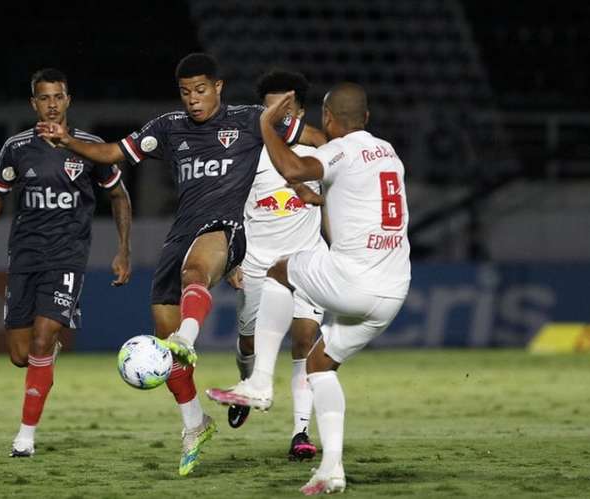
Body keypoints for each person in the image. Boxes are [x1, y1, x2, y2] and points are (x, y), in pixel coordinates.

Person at [37, 53, 325, 476]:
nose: (193, 99)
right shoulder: (168, 128)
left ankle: (190, 340)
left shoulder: (250, 120)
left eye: (201, 90)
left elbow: (317, 138)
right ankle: (195, 422)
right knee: (164, 338)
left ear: (219, 87)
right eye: (186, 92)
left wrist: (351, 152)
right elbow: (114, 152)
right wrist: (67, 140)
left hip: (224, 228)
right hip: (180, 235)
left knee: (194, 281)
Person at [206, 83, 410, 495]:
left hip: (354, 280)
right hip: (393, 290)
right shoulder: (388, 153)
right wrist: (315, 199)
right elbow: (351, 200)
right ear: (366, 118)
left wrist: (266, 123)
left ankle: (260, 382)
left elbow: (294, 169)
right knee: (319, 367)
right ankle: (331, 469)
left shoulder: (339, 150)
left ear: (329, 119)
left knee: (281, 270)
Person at [0, 68, 132, 458]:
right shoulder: (16, 148)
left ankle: (25, 436)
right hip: (24, 256)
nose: (52, 105)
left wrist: (123, 248)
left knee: (41, 336)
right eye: (44, 98)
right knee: (21, 355)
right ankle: (44, 357)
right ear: (33, 104)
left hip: (68, 256)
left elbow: (118, 196)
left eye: (58, 97)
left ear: (68, 100)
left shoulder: (89, 147)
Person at [223, 70, 328, 462]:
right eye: (270, 107)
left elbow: (334, 202)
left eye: (285, 105)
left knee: (305, 340)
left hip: (306, 260)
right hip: (258, 263)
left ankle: (301, 431)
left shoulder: (321, 150)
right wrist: (233, 258)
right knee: (249, 342)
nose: (278, 113)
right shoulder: (248, 154)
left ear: (299, 107)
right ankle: (248, 381)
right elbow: (231, 208)